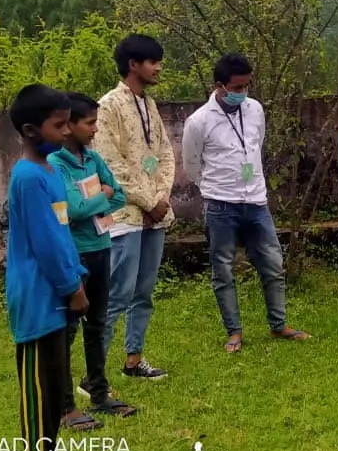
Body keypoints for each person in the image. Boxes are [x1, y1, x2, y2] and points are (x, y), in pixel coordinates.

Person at [181, 52, 310, 350]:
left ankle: (279, 325)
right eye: (236, 88)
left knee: (273, 264)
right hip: (220, 204)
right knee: (224, 269)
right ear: (219, 86)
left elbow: (256, 145)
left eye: (246, 86)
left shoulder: (255, 109)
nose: (243, 92)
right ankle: (234, 332)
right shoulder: (198, 121)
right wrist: (214, 187)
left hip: (256, 200)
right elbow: (191, 165)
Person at [5, 83, 93, 451]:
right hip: (38, 299)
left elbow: (61, 233)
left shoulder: (51, 171)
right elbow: (44, 243)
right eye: (58, 125)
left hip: (59, 291)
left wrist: (77, 276)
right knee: (39, 392)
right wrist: (71, 286)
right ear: (30, 130)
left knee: (55, 385)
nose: (66, 131)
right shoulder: (27, 177)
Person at [50, 94, 139, 429]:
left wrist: (100, 198)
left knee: (97, 323)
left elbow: (119, 194)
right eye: (89, 123)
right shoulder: (57, 164)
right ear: (69, 125)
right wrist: (101, 195)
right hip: (75, 253)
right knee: (68, 329)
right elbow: (74, 210)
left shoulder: (93, 158)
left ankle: (100, 393)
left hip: (101, 246)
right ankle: (64, 405)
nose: (95, 129)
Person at [93, 33, 176, 381]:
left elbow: (164, 154)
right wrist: (147, 200)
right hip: (124, 215)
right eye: (152, 62)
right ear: (133, 65)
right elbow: (111, 166)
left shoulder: (149, 105)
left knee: (143, 292)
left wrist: (161, 197)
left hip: (154, 214)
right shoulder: (108, 106)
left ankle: (133, 359)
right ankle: (94, 374)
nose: (158, 68)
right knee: (117, 294)